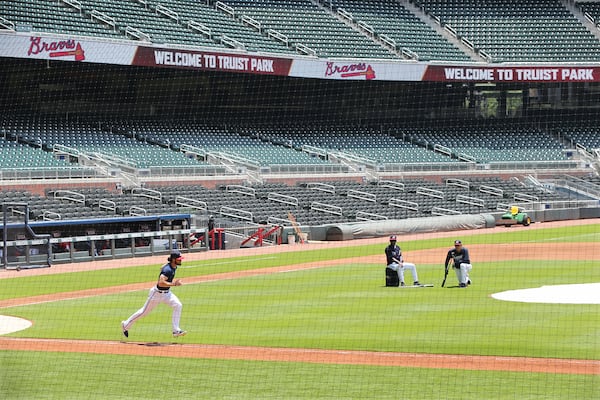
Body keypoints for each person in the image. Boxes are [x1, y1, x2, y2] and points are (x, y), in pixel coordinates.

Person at [121, 251, 187, 338]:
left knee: (178, 305)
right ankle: (125, 325)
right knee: (144, 312)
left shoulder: (172, 266)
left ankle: (176, 330)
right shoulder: (168, 270)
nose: (180, 261)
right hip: (156, 295)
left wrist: (165, 266)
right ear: (174, 260)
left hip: (167, 294)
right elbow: (160, 283)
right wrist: (174, 284)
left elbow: (161, 268)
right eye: (179, 259)